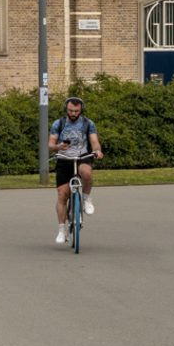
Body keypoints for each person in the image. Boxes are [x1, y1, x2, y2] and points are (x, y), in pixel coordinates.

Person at [48, 95, 103, 244]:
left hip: (82, 156)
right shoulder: (58, 123)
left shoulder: (87, 123)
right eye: (71, 111)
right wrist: (59, 147)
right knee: (62, 195)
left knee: (86, 172)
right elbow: (50, 145)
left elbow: (95, 142)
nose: (73, 114)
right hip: (64, 158)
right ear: (66, 109)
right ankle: (62, 231)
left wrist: (97, 151)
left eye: (76, 111)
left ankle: (86, 199)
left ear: (81, 110)